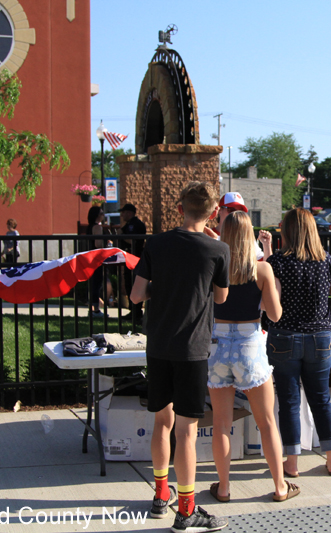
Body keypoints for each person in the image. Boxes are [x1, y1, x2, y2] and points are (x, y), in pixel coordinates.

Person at [130, 181, 230, 532]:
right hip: (192, 349)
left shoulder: (155, 244)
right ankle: (186, 510)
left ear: (179, 209)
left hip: (158, 346)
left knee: (162, 422)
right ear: (213, 213)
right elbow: (221, 298)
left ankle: (161, 494)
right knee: (187, 432)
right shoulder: (218, 250)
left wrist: (162, 286)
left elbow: (136, 295)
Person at [208, 211, 299, 503]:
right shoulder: (262, 270)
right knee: (267, 422)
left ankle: (223, 488)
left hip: (218, 345)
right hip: (249, 346)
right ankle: (280, 487)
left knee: (221, 424)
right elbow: (275, 314)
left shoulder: (214, 267)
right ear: (250, 235)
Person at [266, 208, 331, 478]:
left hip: (285, 336)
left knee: (289, 400)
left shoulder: (277, 262)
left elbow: (273, 305)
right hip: (320, 336)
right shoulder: (327, 261)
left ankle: (291, 462)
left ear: (288, 231)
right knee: (321, 398)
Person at [119, 203, 147, 321]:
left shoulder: (136, 225)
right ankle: (133, 311)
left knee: (133, 283)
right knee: (128, 283)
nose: (122, 215)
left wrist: (121, 236)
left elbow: (134, 241)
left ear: (129, 213)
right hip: (129, 257)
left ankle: (136, 312)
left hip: (135, 257)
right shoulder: (129, 224)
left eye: (123, 212)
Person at [86, 206, 111, 317]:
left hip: (90, 257)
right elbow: (98, 244)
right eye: (101, 213)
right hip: (97, 258)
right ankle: (95, 309)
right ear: (97, 215)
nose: (103, 215)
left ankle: (92, 308)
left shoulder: (89, 227)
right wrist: (108, 244)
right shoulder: (97, 227)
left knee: (93, 283)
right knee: (97, 282)